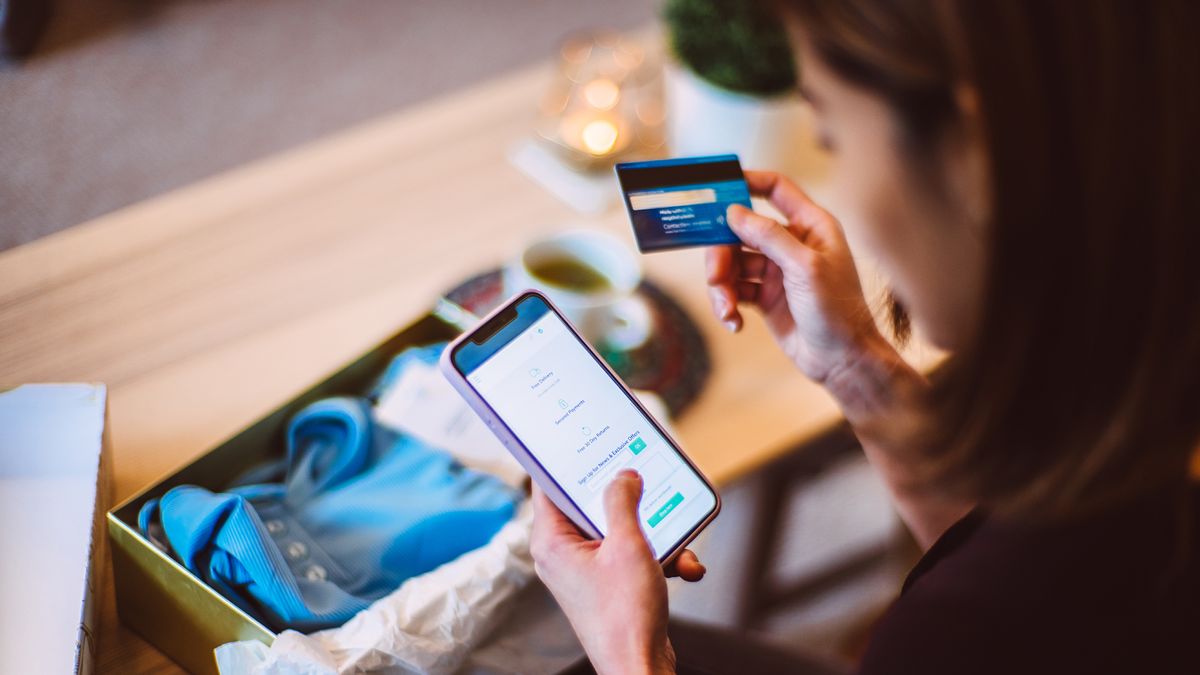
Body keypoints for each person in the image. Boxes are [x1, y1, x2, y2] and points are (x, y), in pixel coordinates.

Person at [530, 1, 1200, 674]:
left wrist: (630, 653)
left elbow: (1001, 596)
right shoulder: (1124, 456)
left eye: (832, 139)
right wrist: (850, 362)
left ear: (968, 157)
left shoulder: (960, 633)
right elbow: (993, 547)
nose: (841, 188)